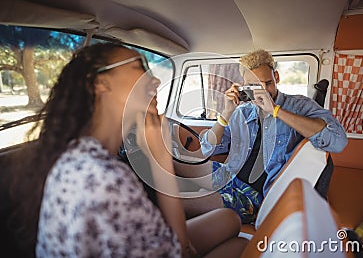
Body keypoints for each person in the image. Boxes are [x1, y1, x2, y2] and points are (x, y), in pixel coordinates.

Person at [7, 43, 248, 257]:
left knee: (231, 221)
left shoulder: (78, 155)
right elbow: (178, 251)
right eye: (138, 67)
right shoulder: (104, 178)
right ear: (101, 83)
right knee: (241, 247)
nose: (154, 81)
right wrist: (161, 159)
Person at [175, 49, 348, 224]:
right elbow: (207, 148)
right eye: (256, 85)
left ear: (277, 77)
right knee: (175, 163)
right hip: (230, 176)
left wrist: (275, 111)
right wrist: (226, 113)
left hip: (254, 197)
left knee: (178, 205)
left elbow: (338, 141)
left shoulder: (299, 106)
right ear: (245, 85)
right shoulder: (242, 111)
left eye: (268, 83)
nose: (264, 90)